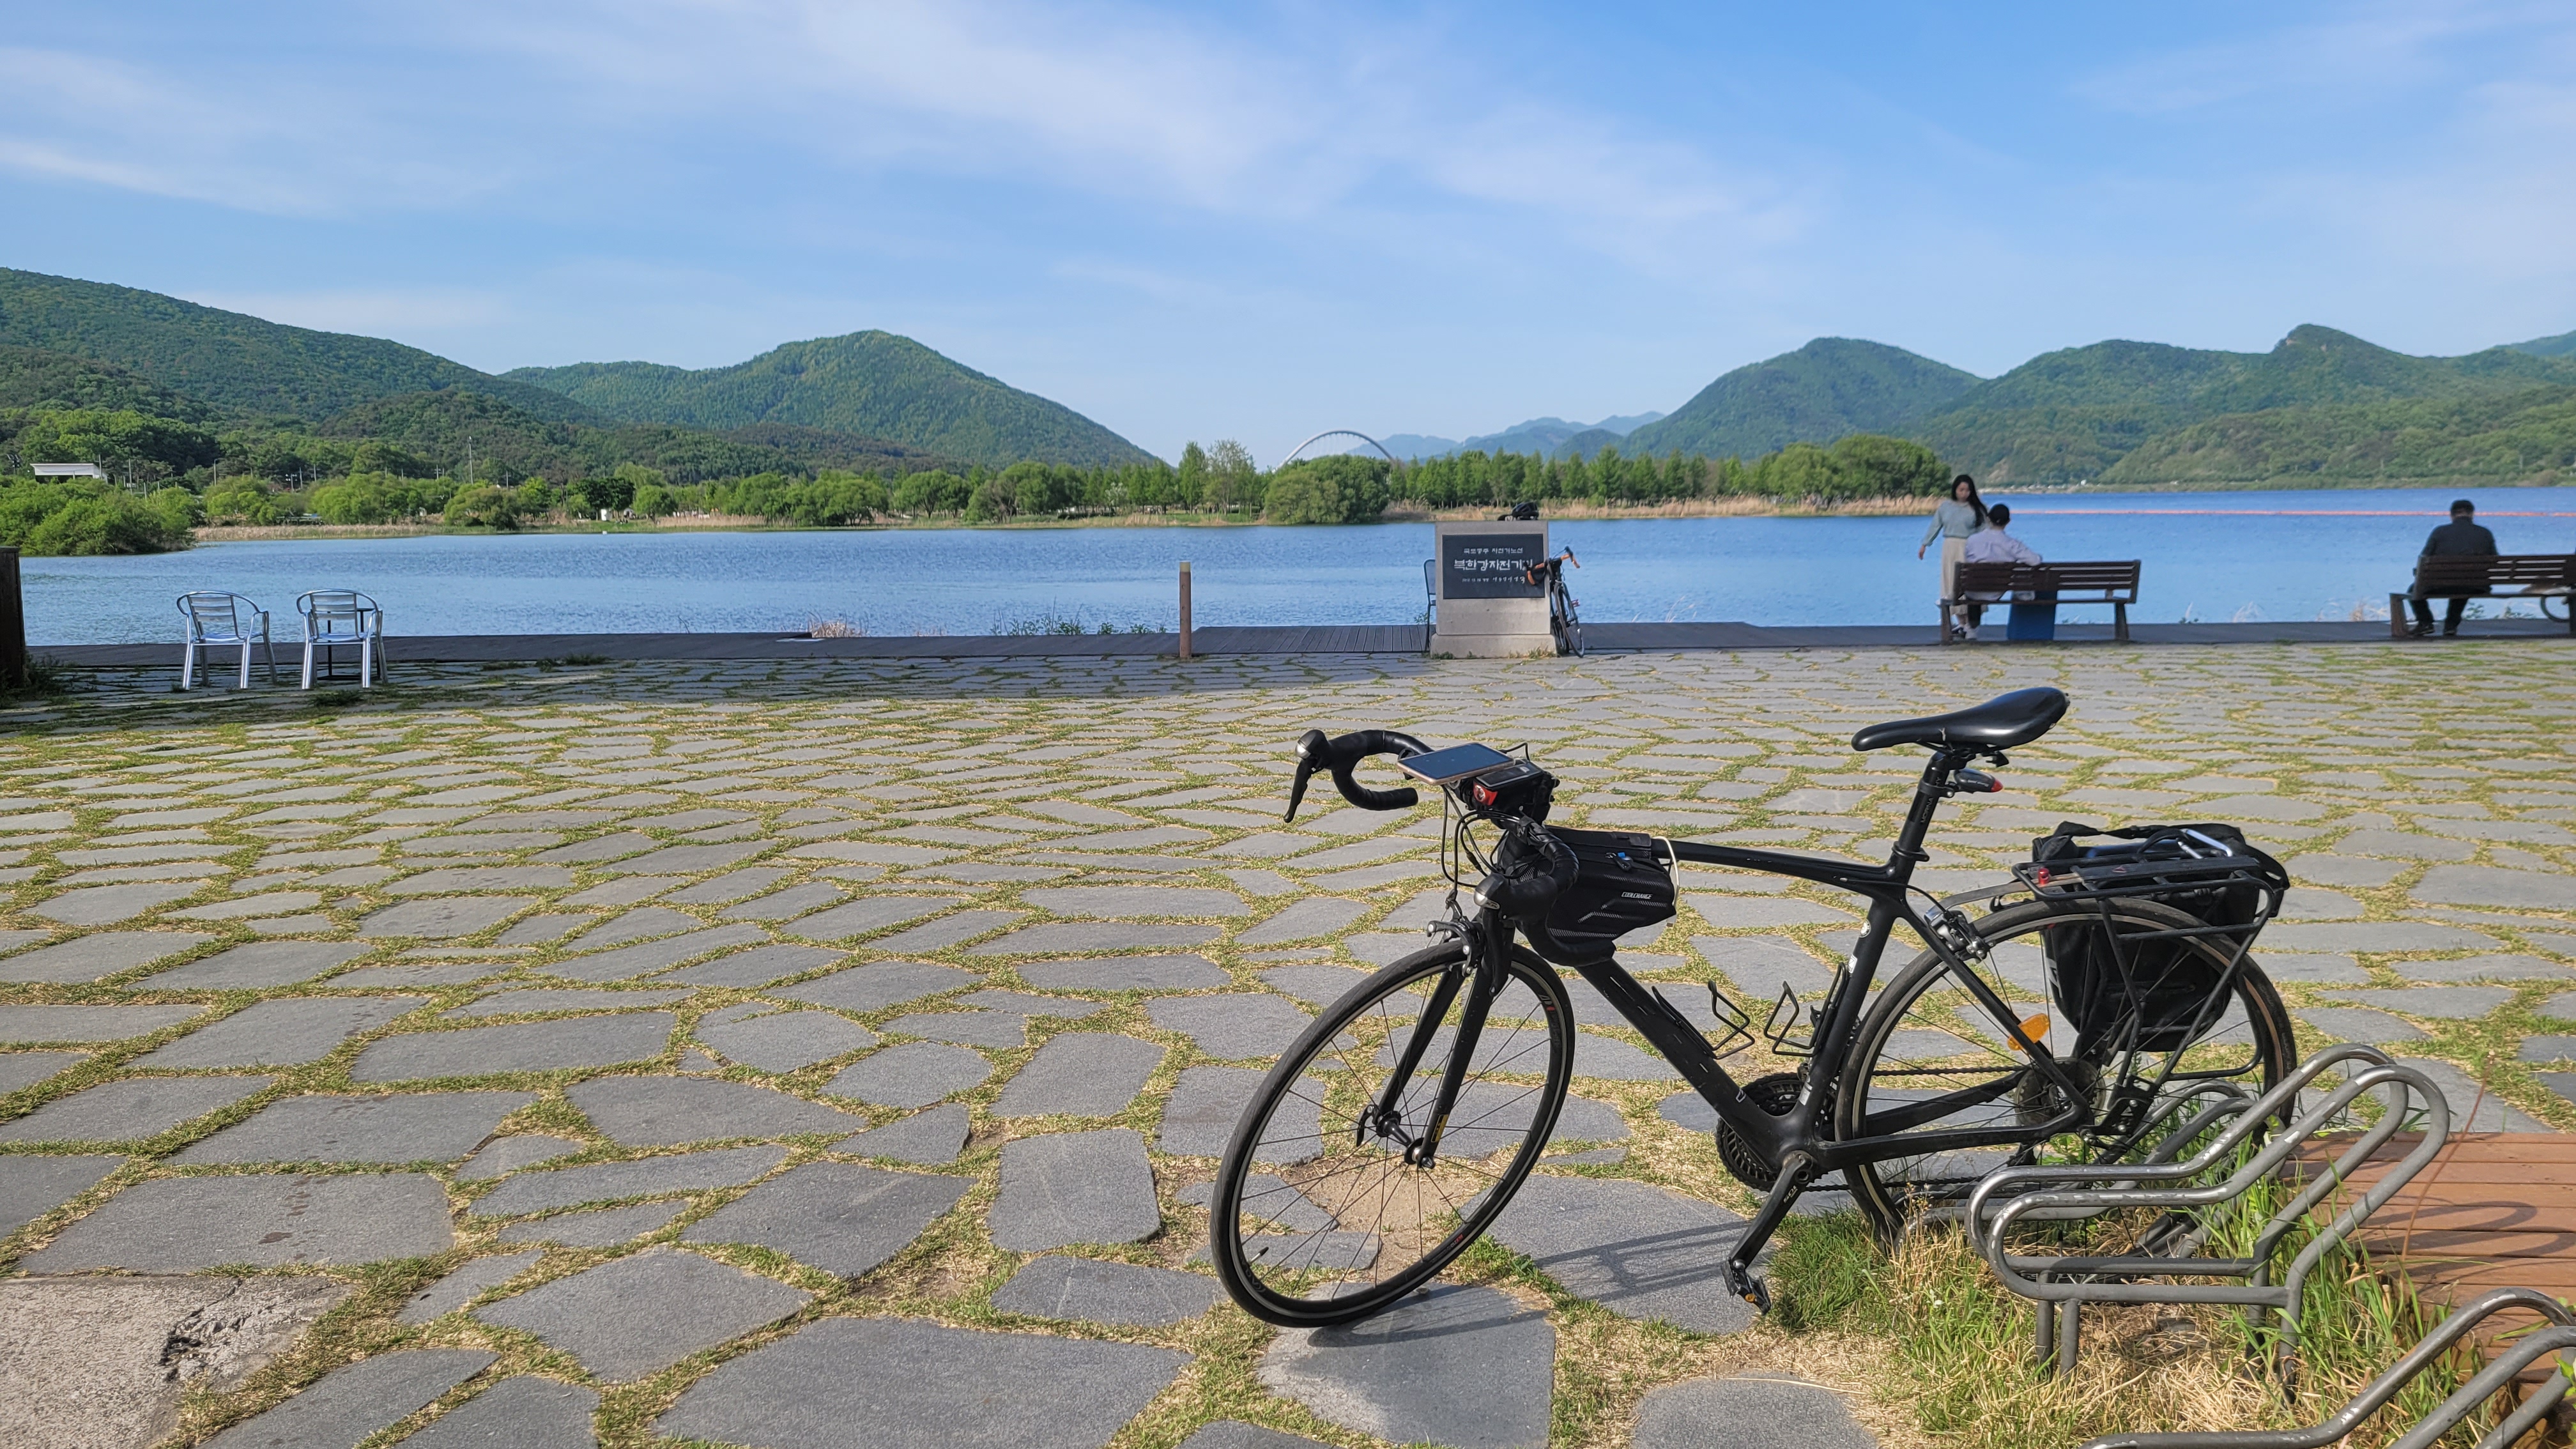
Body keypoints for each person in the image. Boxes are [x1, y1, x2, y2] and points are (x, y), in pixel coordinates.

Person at [2410, 498, 2498, 637]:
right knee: (2464, 584)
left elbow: (2425, 558)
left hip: (2441, 584)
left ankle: (2425, 623)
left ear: (2451, 515)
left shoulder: (2440, 532)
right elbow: (2495, 560)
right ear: (2472, 514)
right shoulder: (2485, 533)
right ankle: (2450, 625)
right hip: (2476, 585)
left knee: (2414, 590)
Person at [1918, 475, 1987, 638]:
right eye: (1961, 490)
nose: (1964, 493)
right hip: (1950, 548)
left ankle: (1970, 624)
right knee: (1951, 583)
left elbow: (1985, 531)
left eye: (1967, 490)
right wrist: (1925, 544)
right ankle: (1961, 623)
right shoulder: (1946, 507)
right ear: (1955, 490)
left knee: (1967, 584)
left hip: (1969, 547)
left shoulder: (1978, 508)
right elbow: (1935, 526)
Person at [1958, 503, 2042, 638]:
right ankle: (1971, 628)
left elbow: (1968, 559)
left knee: (1975, 589)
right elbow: (2035, 561)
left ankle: (1971, 629)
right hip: (1996, 591)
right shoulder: (2011, 544)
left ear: (1988, 519)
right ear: (2008, 522)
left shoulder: (1972, 540)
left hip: (1973, 589)